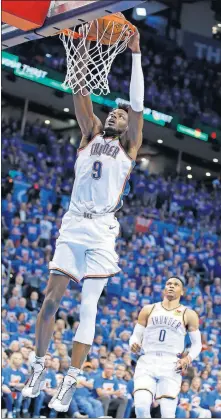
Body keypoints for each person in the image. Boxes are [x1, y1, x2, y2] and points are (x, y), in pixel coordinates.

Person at [22, 28, 144, 413]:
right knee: (50, 301)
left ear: (127, 127)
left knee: (88, 306)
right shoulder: (90, 133)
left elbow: (138, 107)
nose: (116, 115)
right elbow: (80, 92)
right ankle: (39, 367)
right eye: (114, 111)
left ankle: (70, 381)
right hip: (74, 223)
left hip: (103, 229)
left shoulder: (129, 146)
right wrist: (82, 47)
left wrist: (136, 54)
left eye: (121, 115)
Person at [130, 276, 202, 418]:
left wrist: (187, 358)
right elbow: (135, 335)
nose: (171, 286)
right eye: (168, 283)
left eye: (176, 284)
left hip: (171, 363)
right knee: (141, 407)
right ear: (164, 288)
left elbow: (197, 344)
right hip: (147, 360)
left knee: (168, 413)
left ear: (182, 291)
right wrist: (133, 344)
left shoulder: (189, 314)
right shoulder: (148, 309)